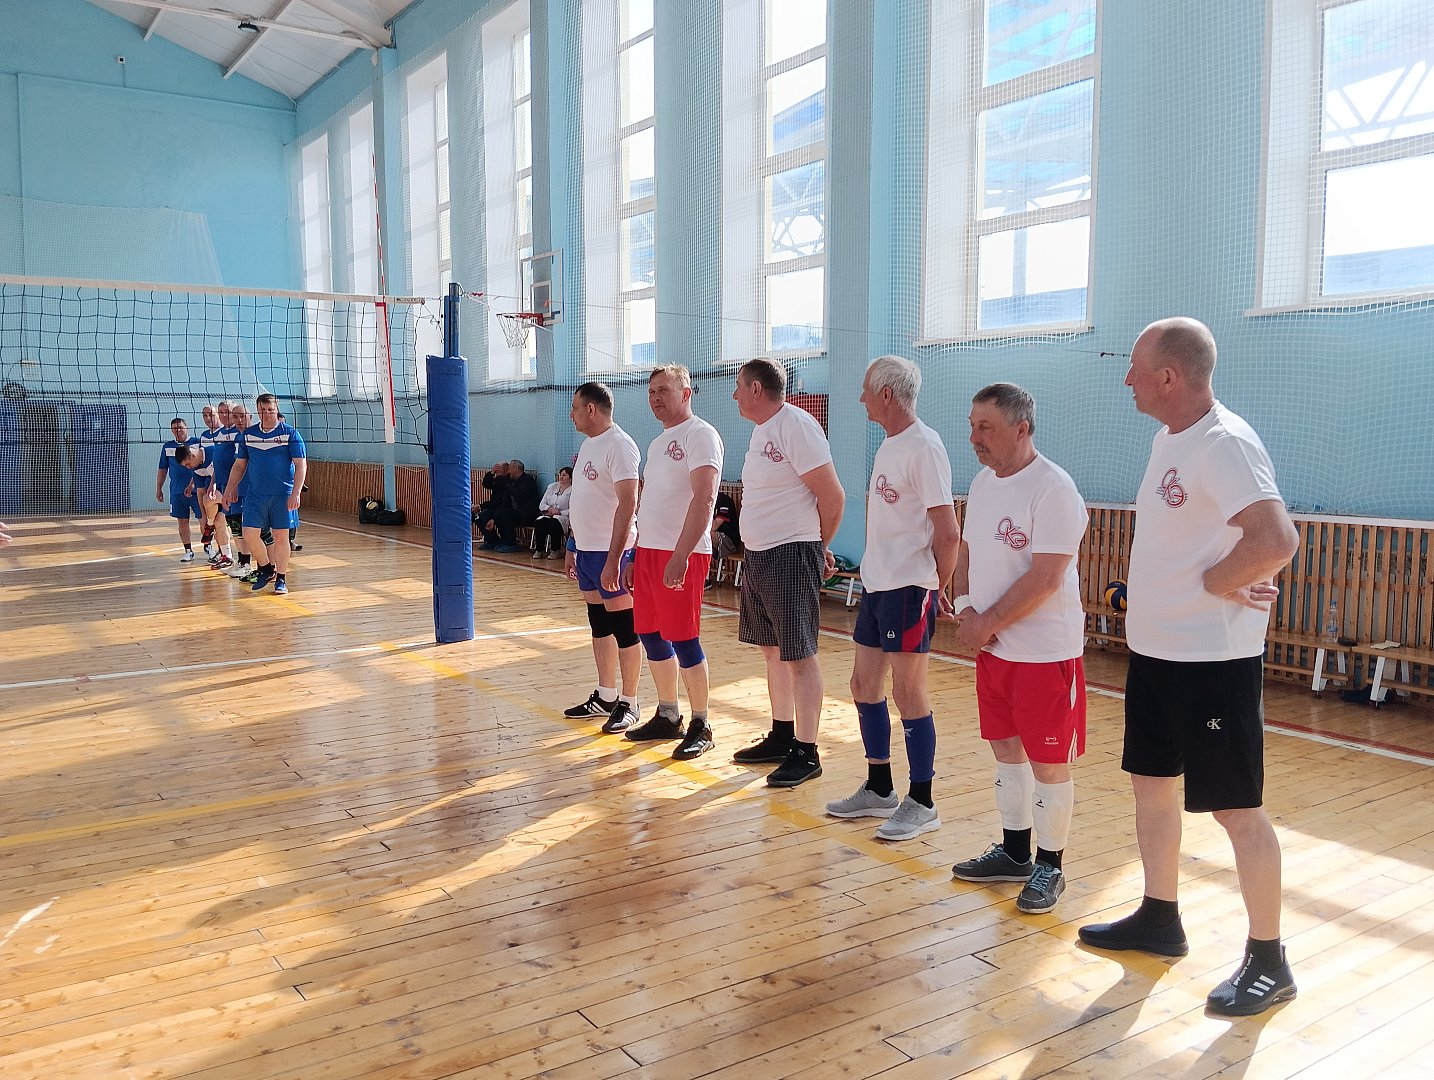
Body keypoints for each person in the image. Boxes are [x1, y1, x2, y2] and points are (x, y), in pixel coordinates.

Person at [1077, 317, 1301, 1018]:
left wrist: (1218, 581)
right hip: (1157, 654)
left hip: (1213, 662)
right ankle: (1159, 916)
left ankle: (1270, 960)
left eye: (1135, 367)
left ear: (1169, 377)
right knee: (1151, 785)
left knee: (1236, 809)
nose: (1127, 379)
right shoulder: (1169, 438)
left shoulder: (1225, 443)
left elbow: (1276, 538)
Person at [948, 383, 1089, 914]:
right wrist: (966, 607)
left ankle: (1050, 866)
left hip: (1044, 655)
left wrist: (986, 623)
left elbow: (1047, 578)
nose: (974, 438)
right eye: (972, 426)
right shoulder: (983, 483)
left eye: (986, 427)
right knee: (1006, 751)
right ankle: (1014, 853)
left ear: (1021, 429)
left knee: (1048, 763)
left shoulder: (1054, 489)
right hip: (994, 650)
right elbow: (965, 552)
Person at [825, 356, 960, 839]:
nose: (860, 397)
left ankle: (922, 800)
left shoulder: (924, 447)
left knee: (908, 691)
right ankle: (879, 787)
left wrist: (938, 588)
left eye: (866, 389)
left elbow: (948, 531)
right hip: (878, 584)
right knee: (863, 685)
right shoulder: (889, 445)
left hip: (909, 587)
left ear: (886, 394)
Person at [730, 358, 845, 787]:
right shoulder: (762, 430)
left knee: (799, 654)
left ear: (756, 389)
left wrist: (819, 548)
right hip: (759, 555)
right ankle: (782, 735)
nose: (735, 394)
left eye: (739, 386)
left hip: (791, 553)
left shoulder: (797, 425)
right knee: (772, 650)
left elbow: (833, 496)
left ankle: (807, 751)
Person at [621, 365, 723, 760]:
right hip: (649, 552)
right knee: (650, 633)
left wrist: (681, 554)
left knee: (683, 637)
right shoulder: (658, 443)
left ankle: (702, 723)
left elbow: (705, 498)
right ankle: (668, 714)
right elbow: (651, 502)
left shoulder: (701, 434)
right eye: (651, 392)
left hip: (682, 552)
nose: (656, 398)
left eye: (664, 390)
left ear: (686, 393)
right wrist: (635, 552)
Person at [562, 382, 643, 733]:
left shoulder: (620, 445)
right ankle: (607, 695)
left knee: (624, 629)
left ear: (591, 409)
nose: (572, 414)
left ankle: (630, 702)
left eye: (575, 407)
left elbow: (629, 504)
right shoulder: (587, 444)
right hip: (586, 552)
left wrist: (615, 559)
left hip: (613, 553)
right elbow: (582, 501)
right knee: (599, 624)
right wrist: (572, 545)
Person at [222, 393, 307, 595]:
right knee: (249, 534)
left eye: (270, 410)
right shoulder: (248, 435)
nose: (267, 413)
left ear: (276, 410)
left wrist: (296, 492)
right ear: (258, 411)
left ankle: (281, 579)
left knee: (281, 536)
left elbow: (301, 464)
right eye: (263, 410)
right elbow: (239, 465)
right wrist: (229, 489)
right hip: (255, 495)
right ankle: (267, 568)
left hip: (282, 495)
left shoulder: (290, 433)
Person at [155, 417, 203, 562]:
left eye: (181, 427)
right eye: (175, 429)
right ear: (172, 431)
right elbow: (162, 469)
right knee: (182, 521)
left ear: (186, 427)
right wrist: (159, 488)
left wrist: (195, 484)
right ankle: (188, 551)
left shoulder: (197, 442)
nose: (178, 431)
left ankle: (210, 548)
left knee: (204, 519)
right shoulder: (167, 447)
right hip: (177, 491)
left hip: (198, 489)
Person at [220, 403, 256, 579]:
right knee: (235, 525)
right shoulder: (238, 437)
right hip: (236, 488)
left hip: (248, 490)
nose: (239, 420)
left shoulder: (254, 436)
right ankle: (242, 562)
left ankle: (250, 565)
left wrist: (234, 487)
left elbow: (245, 465)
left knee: (248, 528)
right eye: (235, 417)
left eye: (243, 416)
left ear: (250, 416)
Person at [492, 460, 540, 553]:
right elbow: (506, 501)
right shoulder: (513, 482)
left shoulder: (528, 480)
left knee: (506, 516)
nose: (508, 472)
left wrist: (508, 484)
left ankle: (511, 543)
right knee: (499, 514)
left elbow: (519, 495)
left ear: (516, 468)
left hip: (528, 513)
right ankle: (505, 541)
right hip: (516, 512)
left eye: (509, 469)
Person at [532, 467, 573, 559]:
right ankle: (539, 550)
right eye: (560, 475)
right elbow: (542, 504)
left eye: (564, 475)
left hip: (564, 517)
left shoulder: (573, 490)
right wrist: (549, 509)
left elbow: (573, 508)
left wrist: (559, 513)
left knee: (554, 523)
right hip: (548, 514)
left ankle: (555, 550)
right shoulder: (552, 487)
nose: (561, 477)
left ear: (570, 478)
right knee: (540, 522)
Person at [474, 462, 512, 550]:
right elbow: (486, 484)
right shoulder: (498, 481)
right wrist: (491, 472)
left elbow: (499, 501)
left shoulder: (506, 482)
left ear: (506, 470)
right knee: (478, 517)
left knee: (485, 513)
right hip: (494, 507)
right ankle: (491, 540)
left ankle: (500, 541)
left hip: (503, 508)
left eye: (499, 469)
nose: (496, 471)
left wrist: (481, 506)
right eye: (496, 468)